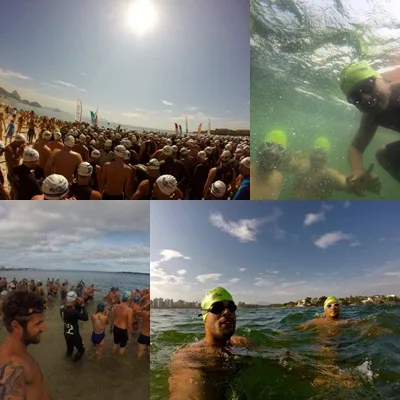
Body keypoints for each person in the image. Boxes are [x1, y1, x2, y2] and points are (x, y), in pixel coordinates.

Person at [169, 287, 251, 400]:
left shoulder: (241, 343)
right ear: (205, 318)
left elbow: (277, 357)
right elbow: (187, 392)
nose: (227, 312)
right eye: (217, 308)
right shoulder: (191, 357)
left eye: (231, 307)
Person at [339, 62, 393, 195]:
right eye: (355, 97)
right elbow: (355, 148)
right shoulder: (371, 116)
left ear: (379, 78)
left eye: (367, 86)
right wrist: (357, 171)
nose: (366, 98)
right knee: (384, 155)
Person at [0, 290, 51, 399]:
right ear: (16, 327)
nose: (44, 328)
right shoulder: (12, 367)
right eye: (38, 323)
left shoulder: (19, 354)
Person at [60, 291, 88, 362]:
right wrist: (83, 305)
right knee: (81, 350)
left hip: (66, 333)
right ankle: (74, 365)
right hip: (74, 334)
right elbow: (85, 318)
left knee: (70, 349)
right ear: (74, 299)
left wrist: (78, 304)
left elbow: (74, 312)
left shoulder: (62, 308)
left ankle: (66, 361)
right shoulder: (73, 312)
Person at [109, 290, 132, 355]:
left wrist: (111, 328)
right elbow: (129, 324)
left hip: (115, 328)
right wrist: (129, 335)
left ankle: (113, 355)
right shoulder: (129, 310)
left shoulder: (115, 307)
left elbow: (112, 319)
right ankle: (119, 362)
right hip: (123, 330)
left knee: (115, 344)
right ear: (128, 299)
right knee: (122, 346)